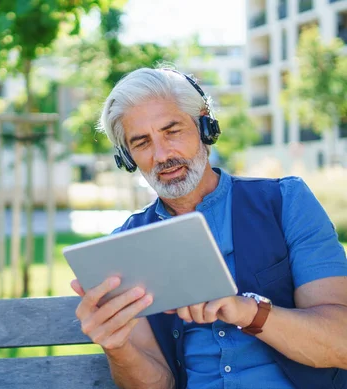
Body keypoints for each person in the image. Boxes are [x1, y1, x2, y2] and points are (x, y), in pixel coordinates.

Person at [70, 66, 347, 389]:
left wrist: (246, 311)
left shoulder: (286, 202)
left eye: (172, 131)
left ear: (204, 124)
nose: (162, 155)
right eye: (142, 142)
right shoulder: (124, 247)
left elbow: (341, 343)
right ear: (127, 157)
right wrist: (116, 346)